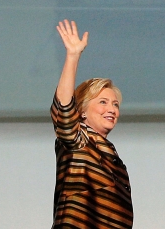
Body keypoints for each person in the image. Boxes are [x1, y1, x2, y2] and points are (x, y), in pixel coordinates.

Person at [51, 19, 133, 229]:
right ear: (82, 111)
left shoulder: (112, 159)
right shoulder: (78, 141)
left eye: (115, 104)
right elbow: (64, 109)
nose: (112, 109)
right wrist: (73, 56)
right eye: (103, 102)